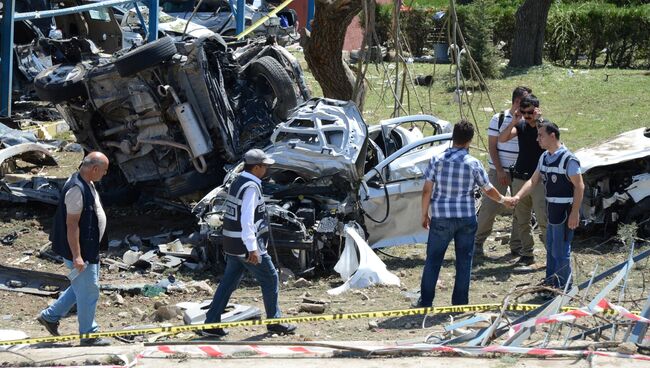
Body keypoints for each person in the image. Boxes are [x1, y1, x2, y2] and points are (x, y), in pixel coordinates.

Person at [415, 120, 516, 307]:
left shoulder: (437, 160)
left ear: (453, 136)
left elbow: (427, 190)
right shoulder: (473, 163)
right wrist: (504, 200)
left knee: (433, 260)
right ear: (470, 141)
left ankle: (426, 301)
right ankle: (460, 303)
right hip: (466, 217)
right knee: (464, 261)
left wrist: (424, 214)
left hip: (441, 216)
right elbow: (488, 189)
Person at [200, 149, 296, 337]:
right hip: (246, 245)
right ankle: (274, 322)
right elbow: (247, 220)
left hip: (232, 243)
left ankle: (211, 323)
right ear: (257, 167)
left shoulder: (238, 181)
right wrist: (253, 248)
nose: (267, 169)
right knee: (270, 278)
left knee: (228, 283)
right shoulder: (251, 186)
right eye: (265, 166)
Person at [36, 152, 111, 346]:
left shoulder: (86, 181)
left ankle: (50, 317)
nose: (105, 174)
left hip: (88, 246)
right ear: (94, 169)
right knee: (89, 291)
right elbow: (72, 225)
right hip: (80, 250)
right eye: (103, 170)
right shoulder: (76, 190)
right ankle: (88, 334)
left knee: (81, 286)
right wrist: (77, 256)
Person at [513, 121, 583, 290]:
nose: (538, 139)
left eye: (540, 135)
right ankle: (551, 283)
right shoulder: (544, 157)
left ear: (552, 136)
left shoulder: (569, 159)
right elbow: (533, 180)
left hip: (564, 212)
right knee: (551, 248)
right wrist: (517, 196)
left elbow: (580, 186)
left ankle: (563, 287)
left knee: (561, 250)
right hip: (551, 210)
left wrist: (575, 213)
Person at [474, 86, 531, 258]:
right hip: (499, 169)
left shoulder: (528, 120)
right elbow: (492, 146)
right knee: (490, 207)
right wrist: (499, 170)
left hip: (521, 172)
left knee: (520, 209)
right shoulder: (498, 118)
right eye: (525, 101)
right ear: (516, 101)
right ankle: (477, 242)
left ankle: (517, 245)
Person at [498, 95, 548, 268]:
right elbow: (502, 138)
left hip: (539, 180)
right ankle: (527, 253)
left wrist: (539, 120)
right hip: (520, 177)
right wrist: (514, 121)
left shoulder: (545, 126)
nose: (527, 116)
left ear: (536, 109)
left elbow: (549, 143)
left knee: (543, 219)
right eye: (524, 112)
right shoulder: (520, 125)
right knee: (522, 219)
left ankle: (553, 254)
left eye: (530, 112)